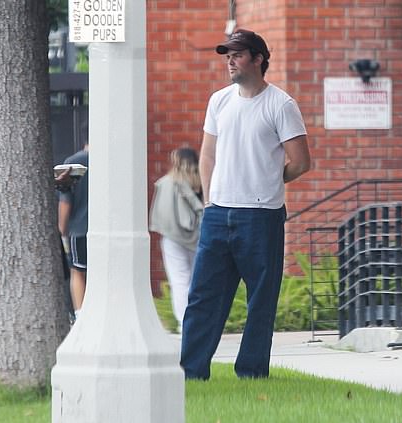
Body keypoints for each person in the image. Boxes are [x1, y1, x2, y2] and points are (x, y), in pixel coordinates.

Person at [180, 29, 311, 380]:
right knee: (203, 298)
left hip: (261, 216)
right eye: (227, 55)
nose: (230, 60)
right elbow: (207, 154)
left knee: (260, 301)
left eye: (237, 54)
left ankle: (251, 373)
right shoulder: (219, 101)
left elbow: (300, 161)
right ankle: (191, 372)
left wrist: (268, 178)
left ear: (258, 59)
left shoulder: (281, 105)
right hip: (218, 214)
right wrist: (209, 201)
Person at [0, 92, 73, 386]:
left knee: (0, 310)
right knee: (1, 310)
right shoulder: (6, 141)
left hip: (4, 234)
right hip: (10, 235)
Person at [149, 147, 203, 332]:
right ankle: (198, 321)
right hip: (199, 236)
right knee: (197, 281)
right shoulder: (202, 182)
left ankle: (185, 324)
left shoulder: (167, 183)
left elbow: (161, 215)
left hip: (173, 238)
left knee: (179, 280)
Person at [58, 143, 89, 320]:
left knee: (77, 271)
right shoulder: (111, 162)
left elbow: (65, 200)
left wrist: (61, 229)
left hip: (79, 229)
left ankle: (80, 315)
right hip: (104, 230)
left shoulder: (73, 163)